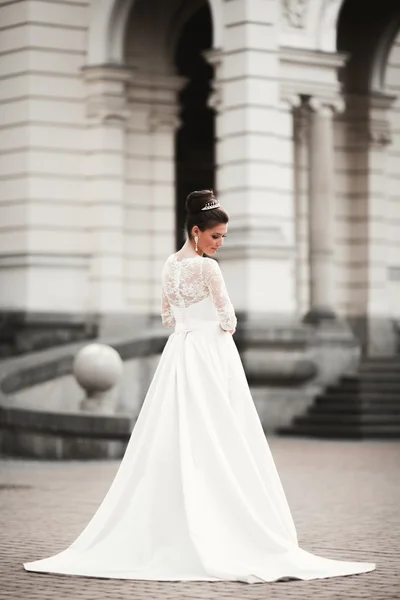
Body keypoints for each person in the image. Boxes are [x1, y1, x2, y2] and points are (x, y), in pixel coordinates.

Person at [23, 190, 375, 584]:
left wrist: (192, 322)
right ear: (196, 231)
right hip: (210, 352)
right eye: (215, 236)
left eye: (223, 237)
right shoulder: (209, 269)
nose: (219, 243)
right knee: (219, 429)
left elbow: (167, 318)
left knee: (177, 430)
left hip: (180, 352)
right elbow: (229, 319)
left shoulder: (169, 266)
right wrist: (217, 324)